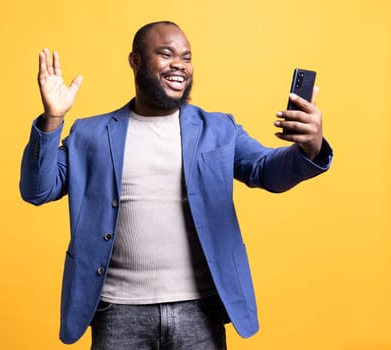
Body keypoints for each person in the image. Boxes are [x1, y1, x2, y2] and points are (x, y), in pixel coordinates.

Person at [20, 21, 333, 350]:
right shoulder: (90, 134)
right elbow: (38, 190)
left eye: (186, 57)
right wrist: (52, 120)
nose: (179, 65)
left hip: (199, 311)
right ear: (135, 61)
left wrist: (309, 147)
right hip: (117, 312)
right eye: (166, 54)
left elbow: (266, 171)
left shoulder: (218, 129)